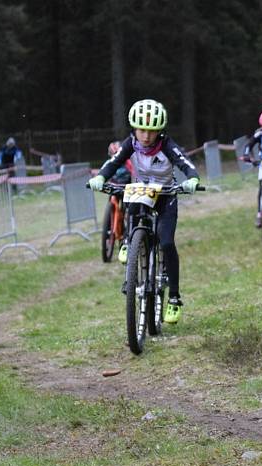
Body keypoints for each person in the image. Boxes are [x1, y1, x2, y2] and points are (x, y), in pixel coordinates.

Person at [89, 99, 201, 324]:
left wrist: (192, 179)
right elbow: (114, 161)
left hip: (165, 196)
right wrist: (101, 176)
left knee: (166, 242)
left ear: (160, 131)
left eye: (152, 131)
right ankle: (129, 249)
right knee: (132, 203)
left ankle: (174, 298)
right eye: (142, 130)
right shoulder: (130, 143)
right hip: (141, 193)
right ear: (134, 128)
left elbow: (185, 163)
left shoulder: (167, 145)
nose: (146, 136)